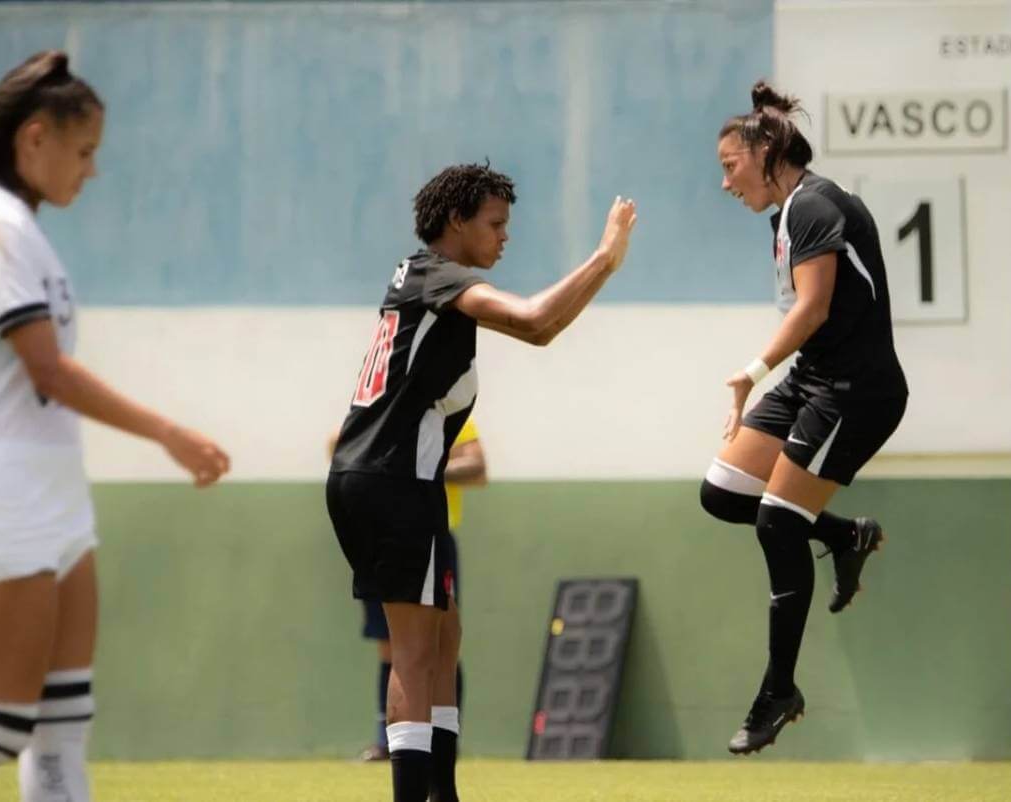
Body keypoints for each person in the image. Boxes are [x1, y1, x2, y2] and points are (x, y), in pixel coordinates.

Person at [0, 51, 230, 802]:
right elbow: (47, 373)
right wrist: (168, 433)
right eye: (84, 150)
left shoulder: (23, 232)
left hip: (51, 498)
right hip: (3, 498)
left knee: (62, 724)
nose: (91, 171)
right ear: (35, 139)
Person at [326, 162, 636, 802]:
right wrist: (604, 259)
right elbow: (535, 322)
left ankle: (444, 790)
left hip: (402, 481)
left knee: (445, 633)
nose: (505, 236)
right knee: (412, 649)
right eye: (495, 223)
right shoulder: (436, 275)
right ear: (455, 222)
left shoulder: (431, 287)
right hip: (390, 482)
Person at [700, 81, 907, 755]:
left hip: (857, 391)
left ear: (766, 153)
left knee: (777, 522)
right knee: (723, 492)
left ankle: (777, 691)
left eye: (731, 165)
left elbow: (813, 307)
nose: (725, 181)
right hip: (812, 380)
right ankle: (846, 536)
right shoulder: (785, 214)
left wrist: (751, 372)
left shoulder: (815, 203)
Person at [357, 416, 486, 762]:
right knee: (391, 645)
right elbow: (339, 447)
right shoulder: (377, 411)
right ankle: (388, 743)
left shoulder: (450, 411)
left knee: (440, 644)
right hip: (381, 540)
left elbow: (476, 466)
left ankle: (444, 744)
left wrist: (421, 468)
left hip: (432, 535)